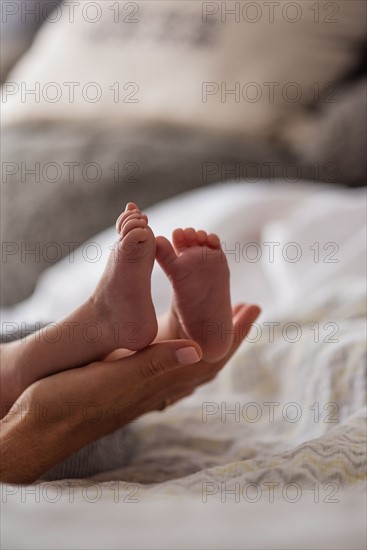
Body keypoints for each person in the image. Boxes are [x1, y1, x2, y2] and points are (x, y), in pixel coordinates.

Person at [0, 203, 260, 483]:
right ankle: (149, 331)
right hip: (87, 442)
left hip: (79, 442)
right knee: (28, 358)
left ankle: (140, 329)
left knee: (48, 355)